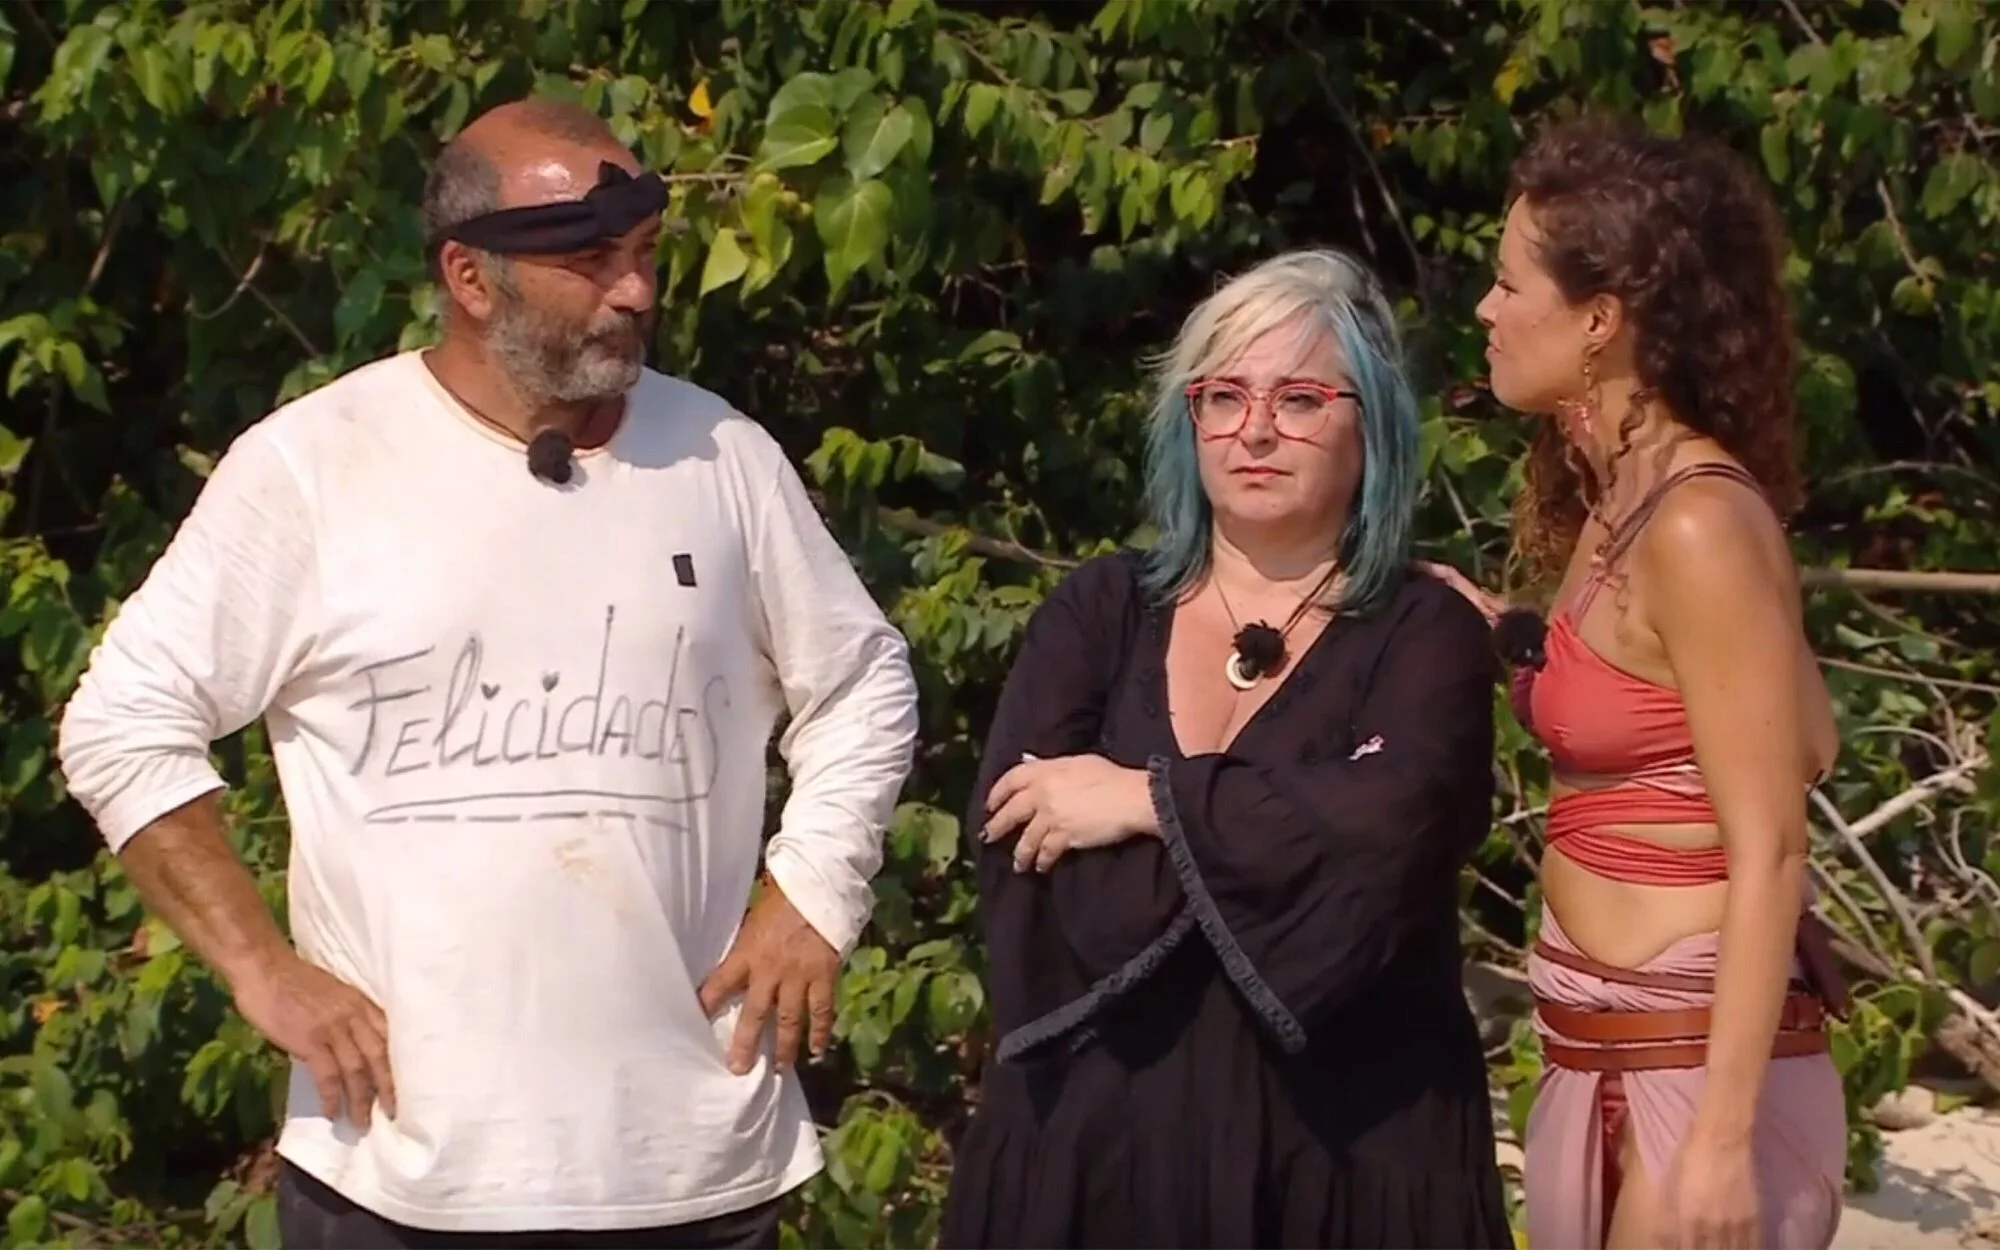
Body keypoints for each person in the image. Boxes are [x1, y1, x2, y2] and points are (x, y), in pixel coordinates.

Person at [56, 96, 920, 1249]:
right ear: (469, 276)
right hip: (402, 1171)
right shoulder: (318, 466)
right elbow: (121, 722)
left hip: (690, 1164)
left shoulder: (720, 456)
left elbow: (859, 680)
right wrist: (261, 969)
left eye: (644, 252)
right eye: (591, 261)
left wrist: (813, 893)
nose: (636, 290)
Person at [937, 248, 1513, 1249]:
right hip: (1095, 1152)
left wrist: (1143, 800)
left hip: (1346, 1158)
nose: (1254, 429)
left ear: (1372, 425)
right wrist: (1288, 828)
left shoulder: (1423, 631)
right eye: (1223, 396)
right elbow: (1022, 850)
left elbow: (1389, 840)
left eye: (1300, 399)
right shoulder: (1098, 612)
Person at [1427, 114, 1848, 1249]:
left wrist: (1718, 1140)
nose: (1486, 309)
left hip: (1691, 1071)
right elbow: (1810, 733)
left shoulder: (1698, 520)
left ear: (1599, 319)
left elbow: (1773, 844)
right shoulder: (1623, 496)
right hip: (1598, 1048)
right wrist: (1512, 638)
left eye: (1508, 282)